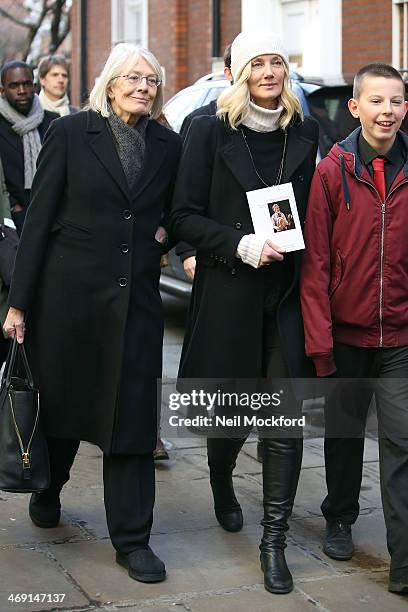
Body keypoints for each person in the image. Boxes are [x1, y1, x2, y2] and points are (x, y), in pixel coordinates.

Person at [3, 43, 181, 584]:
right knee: (60, 412)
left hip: (135, 308)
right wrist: (18, 303)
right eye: (132, 77)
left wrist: (165, 234)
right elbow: (38, 222)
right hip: (68, 303)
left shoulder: (168, 146)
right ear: (108, 83)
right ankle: (49, 489)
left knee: (130, 419)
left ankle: (133, 539)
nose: (142, 87)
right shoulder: (72, 134)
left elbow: (177, 210)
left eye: (151, 80)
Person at [170, 31, 319, 594]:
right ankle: (221, 479)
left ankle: (274, 539)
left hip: (286, 296)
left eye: (277, 61)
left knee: (284, 418)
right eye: (257, 62)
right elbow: (182, 215)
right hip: (229, 289)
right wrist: (238, 244)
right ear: (238, 72)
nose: (268, 71)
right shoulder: (207, 129)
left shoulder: (304, 129)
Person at [300, 63, 408, 595]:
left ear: (405, 109)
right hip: (345, 333)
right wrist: (320, 343)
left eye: (396, 101)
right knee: (342, 436)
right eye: (377, 101)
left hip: (402, 340)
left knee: (402, 444)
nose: (387, 110)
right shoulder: (332, 172)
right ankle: (339, 516)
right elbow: (316, 262)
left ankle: (405, 559)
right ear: (356, 108)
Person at [176, 43, 233, 282]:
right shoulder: (201, 121)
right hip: (210, 249)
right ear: (228, 73)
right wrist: (188, 251)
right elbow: (184, 188)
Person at [0, 60, 58, 235]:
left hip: (53, 219)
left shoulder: (53, 122)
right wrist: (12, 207)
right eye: (14, 86)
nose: (22, 91)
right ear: (2, 91)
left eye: (26, 84)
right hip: (13, 225)